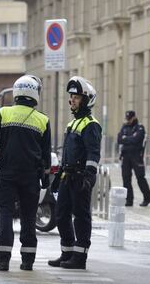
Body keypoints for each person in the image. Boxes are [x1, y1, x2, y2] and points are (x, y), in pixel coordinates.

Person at [0, 75, 51, 271]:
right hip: (30, 177)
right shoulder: (43, 119)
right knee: (28, 217)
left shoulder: (4, 114)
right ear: (35, 94)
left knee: (5, 215)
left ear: (16, 92)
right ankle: (28, 260)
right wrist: (45, 176)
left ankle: (3, 260)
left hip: (7, 175)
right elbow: (46, 154)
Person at [48, 76, 102, 270]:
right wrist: (58, 175)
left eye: (77, 97)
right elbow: (67, 154)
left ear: (86, 100)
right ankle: (67, 253)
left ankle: (80, 258)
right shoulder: (72, 124)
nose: (72, 100)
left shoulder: (91, 124)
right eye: (71, 96)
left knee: (81, 216)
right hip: (67, 176)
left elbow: (93, 152)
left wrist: (89, 175)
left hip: (80, 177)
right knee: (61, 215)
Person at [117, 111, 150, 207]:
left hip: (136, 156)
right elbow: (119, 139)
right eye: (127, 118)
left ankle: (147, 198)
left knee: (140, 178)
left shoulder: (139, 127)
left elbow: (137, 139)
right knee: (126, 179)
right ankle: (129, 200)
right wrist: (130, 138)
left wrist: (126, 138)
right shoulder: (124, 127)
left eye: (130, 118)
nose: (128, 120)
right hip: (125, 156)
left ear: (134, 117)